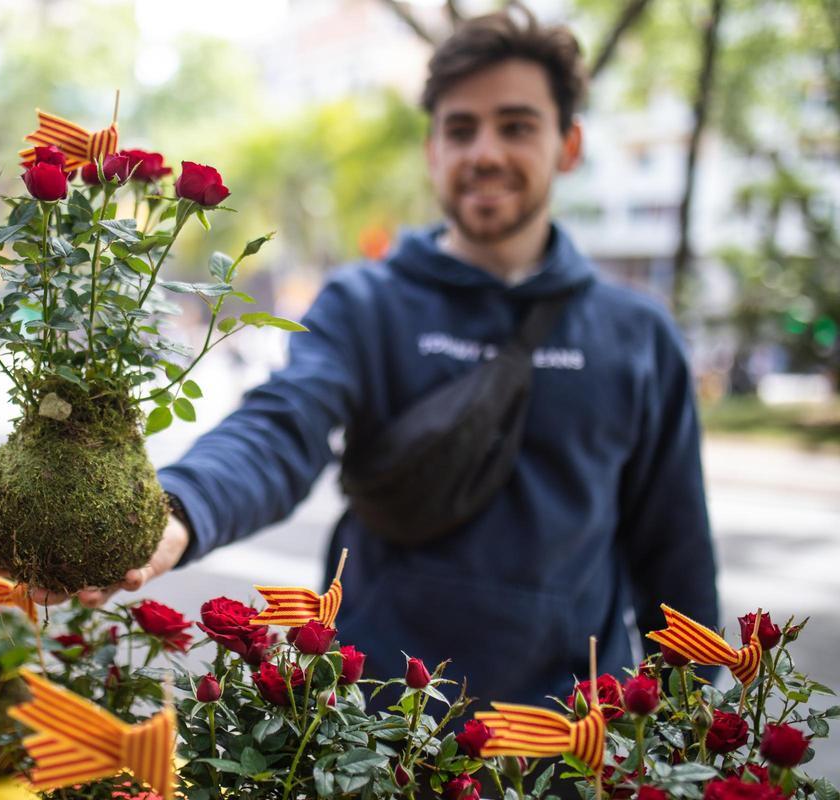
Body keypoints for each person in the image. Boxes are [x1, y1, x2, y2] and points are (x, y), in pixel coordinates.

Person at [48, 7, 719, 708]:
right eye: (461, 129)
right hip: (371, 740)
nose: (485, 151)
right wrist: (176, 510)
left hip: (567, 746)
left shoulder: (637, 334)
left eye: (516, 126)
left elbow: (678, 566)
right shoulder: (366, 304)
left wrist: (686, 734)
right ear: (432, 151)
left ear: (570, 145)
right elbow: (282, 427)